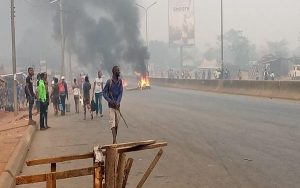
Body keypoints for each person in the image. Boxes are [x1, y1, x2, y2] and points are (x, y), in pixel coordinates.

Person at [103, 66, 123, 144]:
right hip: (111, 107)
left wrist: (117, 102)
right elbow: (104, 93)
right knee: (112, 124)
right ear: (114, 72)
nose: (119, 71)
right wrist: (110, 101)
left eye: (119, 70)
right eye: (118, 70)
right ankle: (114, 141)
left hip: (118, 107)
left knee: (117, 124)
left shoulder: (120, 82)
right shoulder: (109, 82)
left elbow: (121, 93)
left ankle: (114, 140)